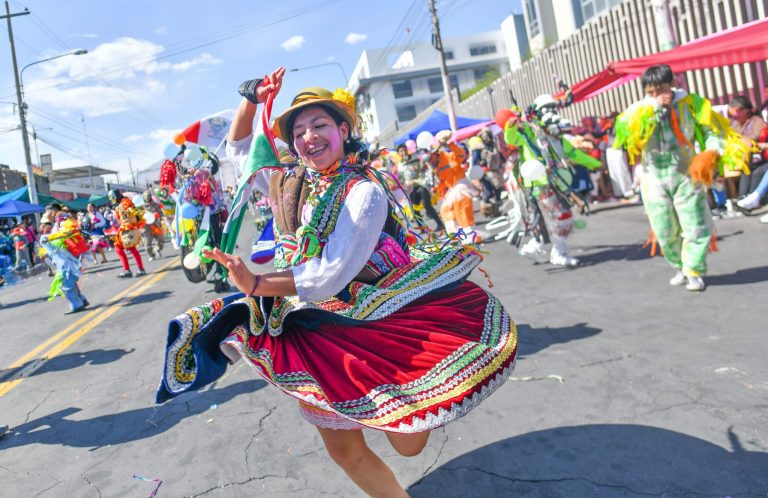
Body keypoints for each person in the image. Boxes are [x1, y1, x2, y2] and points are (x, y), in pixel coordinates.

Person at [157, 69, 518, 497]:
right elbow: (238, 149)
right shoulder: (288, 182)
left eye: (320, 125)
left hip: (376, 322)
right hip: (314, 330)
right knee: (344, 449)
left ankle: (413, 414)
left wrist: (255, 283)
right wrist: (251, 97)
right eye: (300, 130)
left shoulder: (364, 193)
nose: (309, 136)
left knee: (407, 442)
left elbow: (328, 274)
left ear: (343, 130)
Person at [613, 64, 747, 291]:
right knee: (664, 229)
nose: (656, 95)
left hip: (686, 175)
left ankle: (694, 270)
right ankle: (679, 266)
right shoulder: (636, 111)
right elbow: (629, 139)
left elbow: (712, 131)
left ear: (672, 84)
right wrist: (654, 109)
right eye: (650, 92)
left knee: (695, 226)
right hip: (653, 178)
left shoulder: (692, 104)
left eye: (661, 90)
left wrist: (711, 152)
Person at [107, 190, 147, 278]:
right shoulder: (119, 204)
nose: (111, 199)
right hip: (123, 228)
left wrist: (127, 210)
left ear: (116, 196)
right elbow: (119, 217)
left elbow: (132, 211)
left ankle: (139, 269)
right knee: (119, 248)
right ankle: (128, 270)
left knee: (131, 248)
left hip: (128, 228)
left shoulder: (125, 201)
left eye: (112, 197)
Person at [140, 190, 165, 261]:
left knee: (161, 239)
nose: (147, 198)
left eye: (148, 196)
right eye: (145, 197)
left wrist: (160, 217)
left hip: (155, 224)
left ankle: (157, 249)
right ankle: (151, 255)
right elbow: (138, 216)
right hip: (146, 226)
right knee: (147, 244)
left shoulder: (155, 205)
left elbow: (160, 213)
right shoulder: (141, 207)